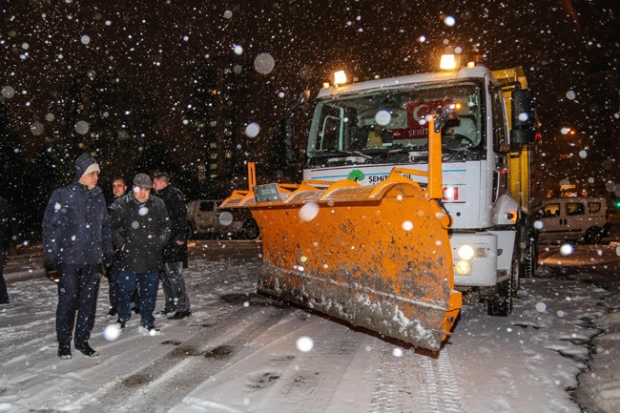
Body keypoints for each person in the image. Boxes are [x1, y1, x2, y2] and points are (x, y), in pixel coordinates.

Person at [42, 153, 114, 359]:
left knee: (88, 302)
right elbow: (50, 226)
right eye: (92, 173)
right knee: (67, 301)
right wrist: (50, 254)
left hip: (92, 260)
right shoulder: (62, 195)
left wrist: (107, 250)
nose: (96, 177)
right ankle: (64, 343)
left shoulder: (99, 196)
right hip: (69, 260)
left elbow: (105, 227)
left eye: (97, 173)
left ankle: (82, 340)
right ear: (81, 173)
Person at [110, 173, 170, 334]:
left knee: (149, 291)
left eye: (147, 189)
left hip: (151, 256)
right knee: (125, 289)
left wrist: (159, 243)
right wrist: (122, 244)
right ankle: (122, 317)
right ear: (132, 188)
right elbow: (113, 228)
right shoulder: (121, 204)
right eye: (139, 189)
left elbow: (166, 227)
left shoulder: (158, 204)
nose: (142, 193)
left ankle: (147, 320)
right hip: (129, 256)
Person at [152, 172, 191, 320]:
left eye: (155, 183)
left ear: (163, 183)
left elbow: (181, 216)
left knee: (174, 275)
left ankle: (183, 307)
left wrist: (180, 236)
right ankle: (171, 305)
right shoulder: (157, 198)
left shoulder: (174, 195)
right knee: (165, 276)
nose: (152, 186)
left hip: (173, 242)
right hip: (163, 243)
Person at [104, 177, 139, 318]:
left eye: (119, 185)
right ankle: (115, 305)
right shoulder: (107, 205)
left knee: (130, 277)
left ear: (125, 187)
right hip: (112, 248)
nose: (116, 188)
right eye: (114, 185)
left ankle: (134, 303)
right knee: (113, 279)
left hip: (128, 247)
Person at [0, 196, 22, 305]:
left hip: (1, 243)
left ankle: (3, 298)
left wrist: (17, 240)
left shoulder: (3, 202)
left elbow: (12, 222)